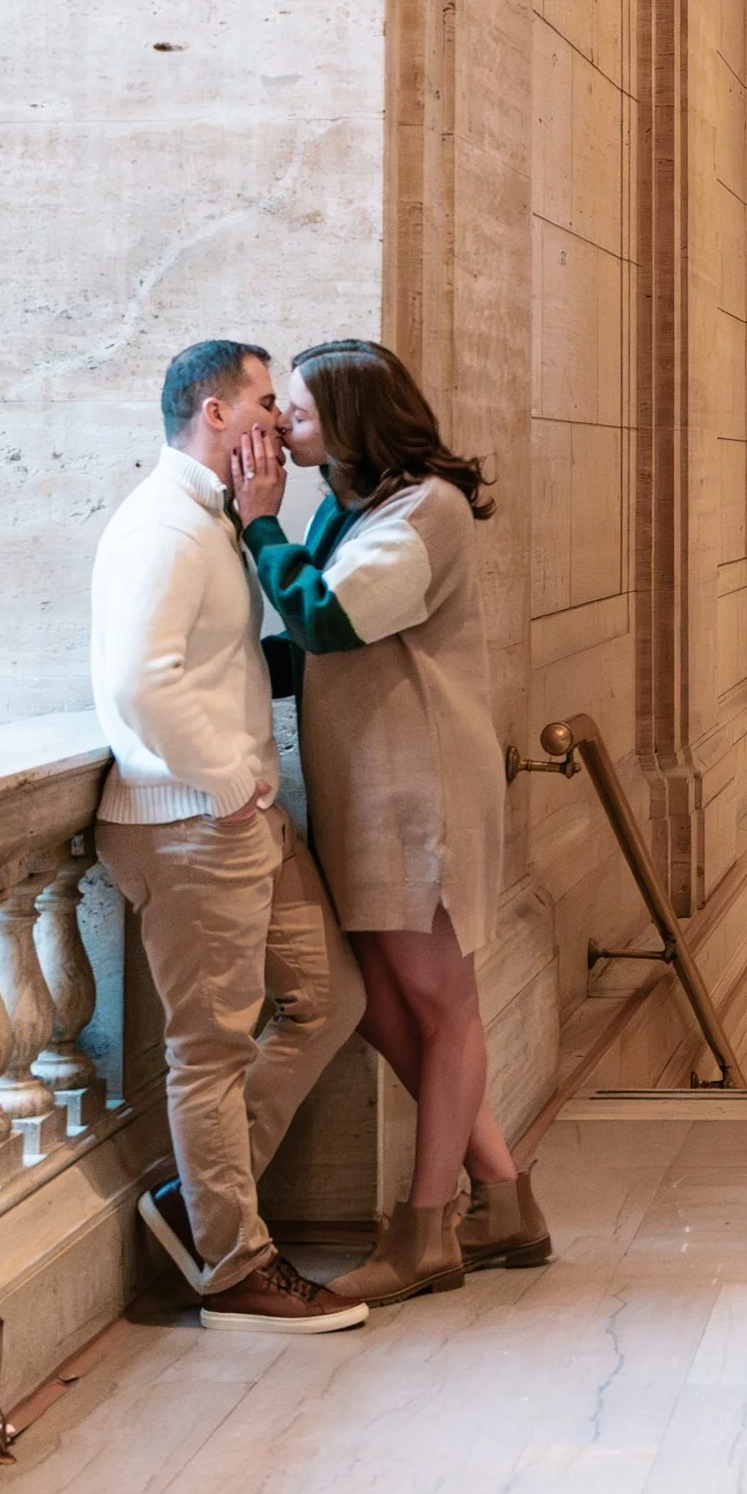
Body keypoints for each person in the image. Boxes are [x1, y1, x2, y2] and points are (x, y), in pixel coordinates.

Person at [233, 339, 550, 1305]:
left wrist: (258, 525)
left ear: (352, 413)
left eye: (297, 409)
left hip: (419, 791)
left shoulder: (428, 508)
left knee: (438, 999)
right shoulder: (354, 501)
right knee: (376, 996)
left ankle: (427, 1237)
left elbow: (326, 618)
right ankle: (499, 1198)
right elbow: (311, 651)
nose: (282, 424)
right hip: (368, 783)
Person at [88, 339, 370, 1333]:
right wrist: (231, 785)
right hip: (191, 823)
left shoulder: (213, 520)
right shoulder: (162, 525)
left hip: (242, 818)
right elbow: (137, 681)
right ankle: (234, 1264)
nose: (281, 424)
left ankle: (200, 1201)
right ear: (215, 415)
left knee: (332, 998)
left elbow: (215, 663)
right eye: (263, 402)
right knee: (208, 1050)